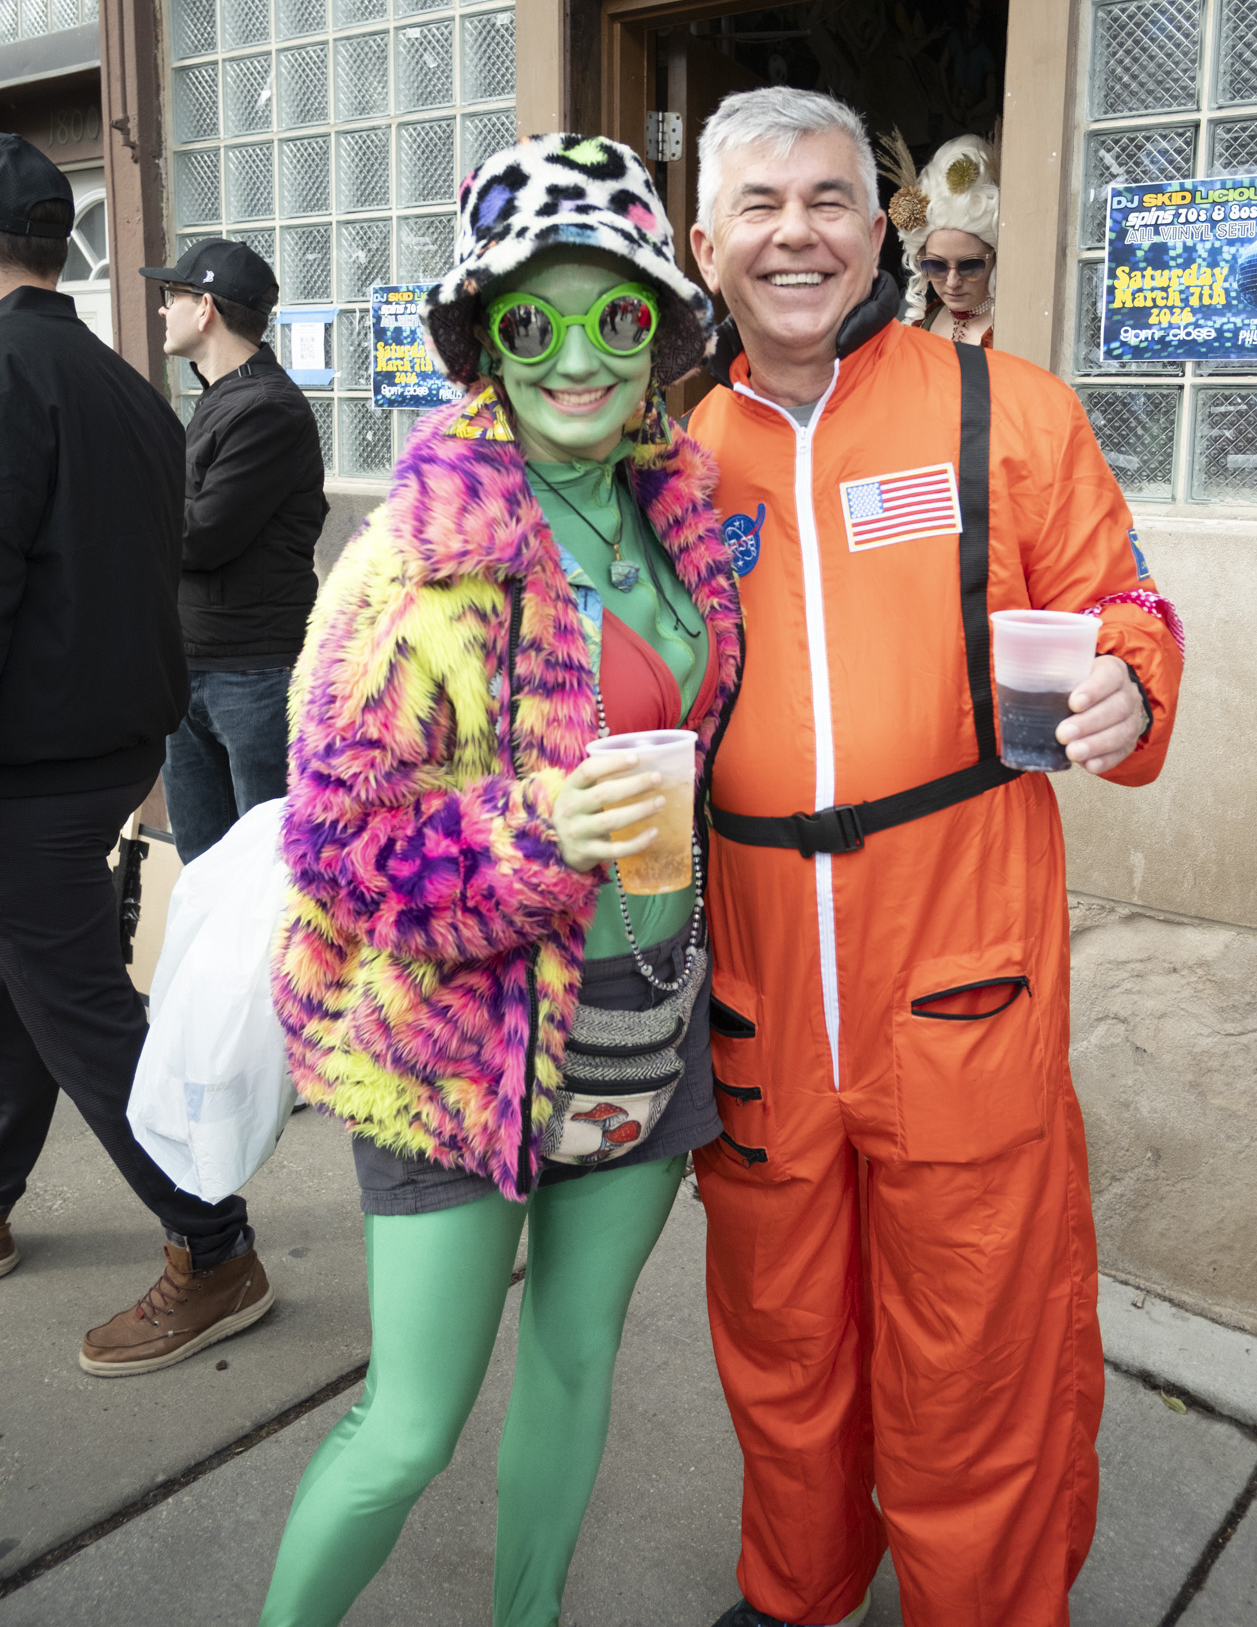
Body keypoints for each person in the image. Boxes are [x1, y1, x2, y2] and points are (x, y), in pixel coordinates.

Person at [686, 87, 1184, 1627]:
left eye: (828, 199)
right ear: (705, 247)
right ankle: (799, 1589)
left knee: (979, 1348)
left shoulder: (1007, 412)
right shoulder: (669, 456)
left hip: (965, 980)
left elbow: (1124, 603)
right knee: (781, 1340)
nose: (797, 235)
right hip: (760, 998)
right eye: (760, 206)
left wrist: (1131, 682)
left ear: (879, 228)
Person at [261, 132, 742, 1627]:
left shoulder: (681, 512)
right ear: (485, 339)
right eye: (535, 323)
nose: (579, 360)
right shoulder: (415, 559)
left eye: (617, 317)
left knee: (577, 1360)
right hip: (460, 1051)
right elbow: (334, 846)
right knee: (408, 1427)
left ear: (662, 333)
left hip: (645, 1024)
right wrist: (537, 837)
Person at [0, 134, 272, 1369]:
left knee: (80, 1007)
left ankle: (213, 1242)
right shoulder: (128, 389)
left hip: (37, 759)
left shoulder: (14, 374)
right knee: (28, 985)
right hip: (111, 736)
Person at [146, 238, 326, 865]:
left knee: (267, 876)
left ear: (205, 309)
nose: (162, 308)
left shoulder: (266, 409)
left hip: (253, 676)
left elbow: (201, 535)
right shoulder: (221, 398)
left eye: (172, 295)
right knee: (204, 873)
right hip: (191, 666)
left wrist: (126, 514)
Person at [881, 126, 1000, 346]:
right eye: (936, 266)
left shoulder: (1010, 332)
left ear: (994, 258)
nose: (952, 282)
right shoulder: (924, 320)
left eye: (970, 266)